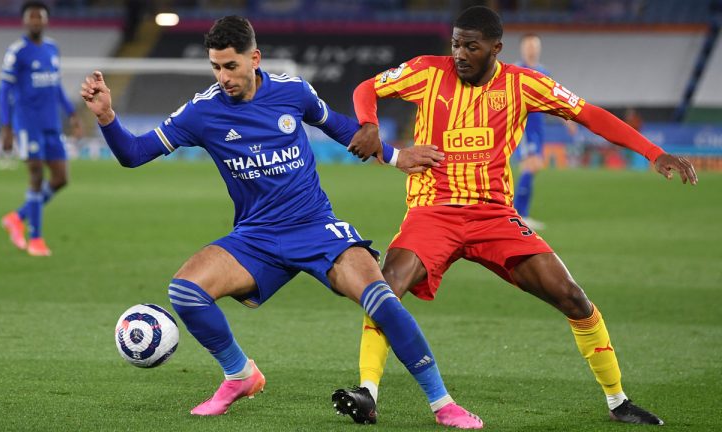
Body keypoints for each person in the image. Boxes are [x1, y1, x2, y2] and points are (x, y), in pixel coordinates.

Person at [80, 15, 482, 429]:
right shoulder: (202, 112)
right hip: (256, 236)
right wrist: (107, 117)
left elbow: (344, 128)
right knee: (184, 292)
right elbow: (133, 153)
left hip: (314, 226)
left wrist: (396, 158)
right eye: (216, 67)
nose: (223, 77)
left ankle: (442, 403)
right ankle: (240, 376)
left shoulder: (293, 92)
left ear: (254, 58)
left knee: (381, 298)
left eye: (231, 66)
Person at [334, 5, 697, 428]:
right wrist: (368, 123)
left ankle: (618, 401)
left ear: (496, 49)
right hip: (433, 211)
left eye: (472, 46)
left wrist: (654, 152)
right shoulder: (425, 72)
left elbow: (588, 114)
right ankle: (368, 392)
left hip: (493, 216)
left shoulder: (523, 84)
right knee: (387, 286)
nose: (460, 54)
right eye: (456, 44)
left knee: (572, 297)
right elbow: (366, 88)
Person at [0, 1, 82, 256]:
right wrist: (6, 127)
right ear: (25, 21)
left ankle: (18, 216)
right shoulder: (17, 52)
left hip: (51, 124)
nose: (36, 21)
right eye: (31, 17)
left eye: (40, 17)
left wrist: (72, 114)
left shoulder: (51, 49)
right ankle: (35, 239)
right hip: (27, 125)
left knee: (60, 179)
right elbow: (4, 91)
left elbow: (56, 87)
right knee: (36, 176)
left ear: (46, 21)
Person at [513, 33, 577, 230]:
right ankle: (518, 215)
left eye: (534, 46)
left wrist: (566, 119)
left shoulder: (543, 72)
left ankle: (521, 214)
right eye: (528, 46)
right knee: (530, 166)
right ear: (522, 49)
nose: (531, 49)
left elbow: (552, 102)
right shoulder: (515, 71)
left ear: (538, 48)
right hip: (523, 126)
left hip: (538, 126)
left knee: (535, 165)